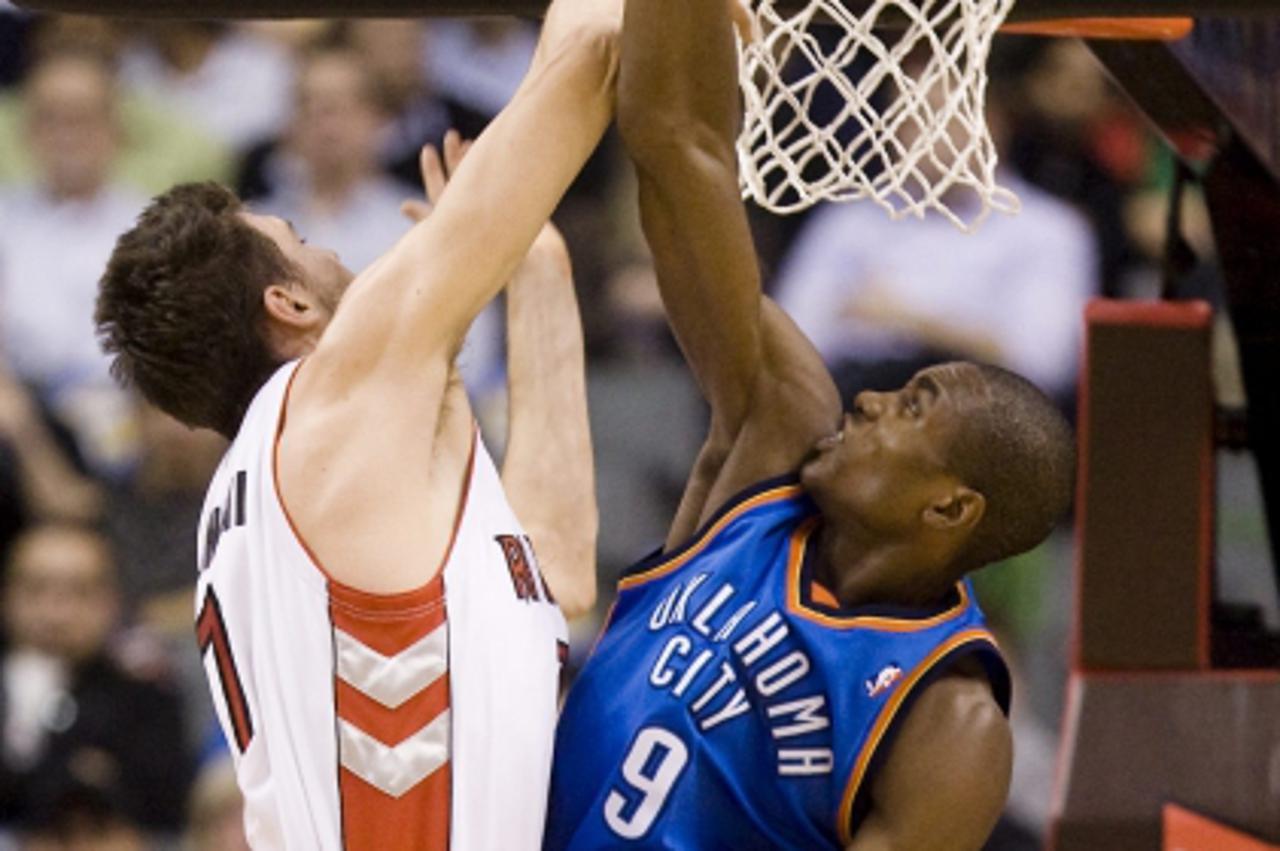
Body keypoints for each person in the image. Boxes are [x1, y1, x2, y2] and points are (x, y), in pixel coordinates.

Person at [543, 0, 1075, 848]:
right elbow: (679, 150)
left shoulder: (947, 719)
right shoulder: (777, 432)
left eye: (911, 409)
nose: (868, 401)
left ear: (948, 507)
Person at [92, 0, 617, 842]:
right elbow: (585, 62)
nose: (335, 251)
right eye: (301, 238)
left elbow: (551, 574)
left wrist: (536, 269)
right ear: (288, 300)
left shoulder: (286, 485)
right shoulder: (322, 401)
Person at [0, 524, 192, 838]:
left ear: (112, 602)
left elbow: (167, 813)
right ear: (7, 596)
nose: (55, 614)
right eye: (36, 589)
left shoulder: (147, 700)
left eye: (79, 591)